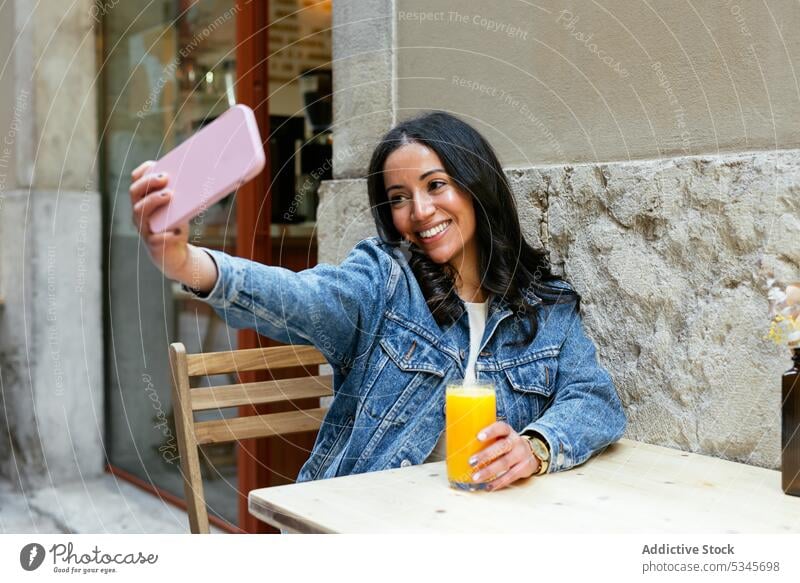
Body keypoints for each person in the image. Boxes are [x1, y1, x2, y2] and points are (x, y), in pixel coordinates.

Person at [129, 111, 626, 491]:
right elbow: (303, 298)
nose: (420, 210)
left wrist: (536, 447)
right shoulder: (385, 281)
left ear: (476, 186)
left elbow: (595, 399)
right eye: (399, 196)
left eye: (435, 185)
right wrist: (187, 262)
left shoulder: (544, 306)